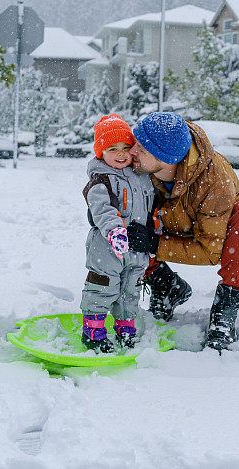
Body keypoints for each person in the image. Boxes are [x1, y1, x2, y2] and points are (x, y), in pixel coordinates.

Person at [126, 112, 239, 351]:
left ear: (165, 158)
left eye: (141, 149)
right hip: (167, 222)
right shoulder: (139, 167)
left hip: (214, 231)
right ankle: (166, 285)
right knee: (123, 224)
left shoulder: (215, 181)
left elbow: (211, 252)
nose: (131, 153)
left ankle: (224, 312)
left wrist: (154, 245)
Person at [80, 113, 156, 352]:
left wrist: (156, 234)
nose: (121, 154)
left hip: (135, 247)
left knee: (129, 290)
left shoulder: (141, 176)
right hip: (106, 246)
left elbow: (151, 208)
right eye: (113, 149)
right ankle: (93, 331)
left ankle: (125, 329)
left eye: (125, 147)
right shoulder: (100, 179)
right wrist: (114, 231)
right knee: (102, 287)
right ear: (101, 152)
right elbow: (101, 209)